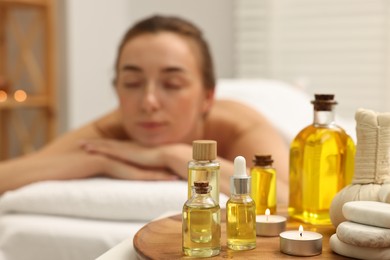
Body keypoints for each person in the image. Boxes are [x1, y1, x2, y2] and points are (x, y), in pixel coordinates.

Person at [0, 15, 289, 203]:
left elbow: (290, 198)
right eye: (133, 82)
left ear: (207, 97)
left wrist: (173, 155)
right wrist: (97, 161)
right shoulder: (112, 129)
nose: (148, 102)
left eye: (172, 84)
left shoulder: (238, 126)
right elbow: (8, 176)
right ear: (117, 89)